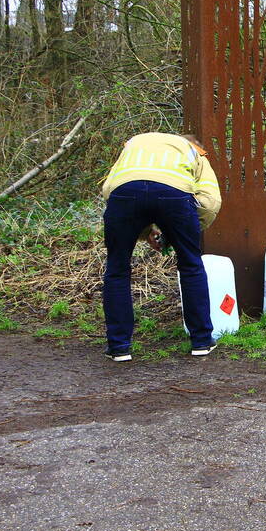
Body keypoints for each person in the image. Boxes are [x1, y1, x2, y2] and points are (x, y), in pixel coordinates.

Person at [101, 132, 222, 361]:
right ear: (197, 146)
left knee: (117, 269)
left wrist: (145, 231)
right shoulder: (194, 151)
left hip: (124, 194)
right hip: (174, 195)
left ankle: (119, 347)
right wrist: (185, 233)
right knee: (191, 265)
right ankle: (201, 341)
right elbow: (209, 201)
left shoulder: (134, 144)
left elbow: (110, 189)